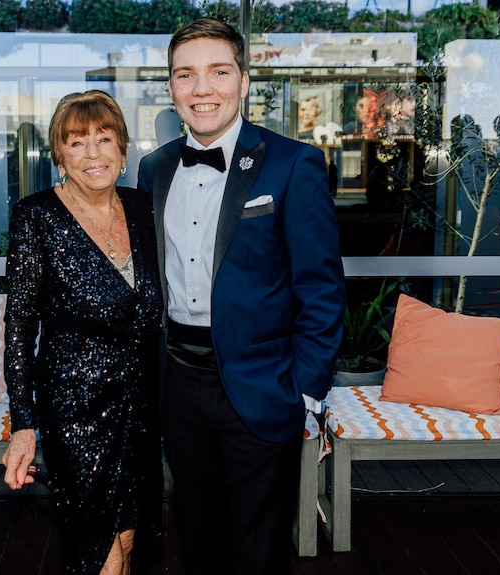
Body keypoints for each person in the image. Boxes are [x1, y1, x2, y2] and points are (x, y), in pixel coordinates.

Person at [137, 18, 346, 575]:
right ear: (173, 88)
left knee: (258, 549)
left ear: (245, 80)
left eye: (218, 72)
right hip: (177, 384)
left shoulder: (292, 163)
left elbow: (321, 288)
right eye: (186, 75)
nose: (202, 88)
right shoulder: (153, 169)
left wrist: (306, 390)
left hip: (261, 385)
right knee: (197, 539)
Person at [2, 90, 163, 575]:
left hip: (140, 408)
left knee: (132, 538)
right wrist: (23, 423)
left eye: (104, 138)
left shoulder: (143, 208)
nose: (93, 153)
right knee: (100, 550)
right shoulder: (36, 218)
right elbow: (18, 328)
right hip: (76, 412)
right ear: (60, 156)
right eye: (76, 142)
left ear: (122, 148)